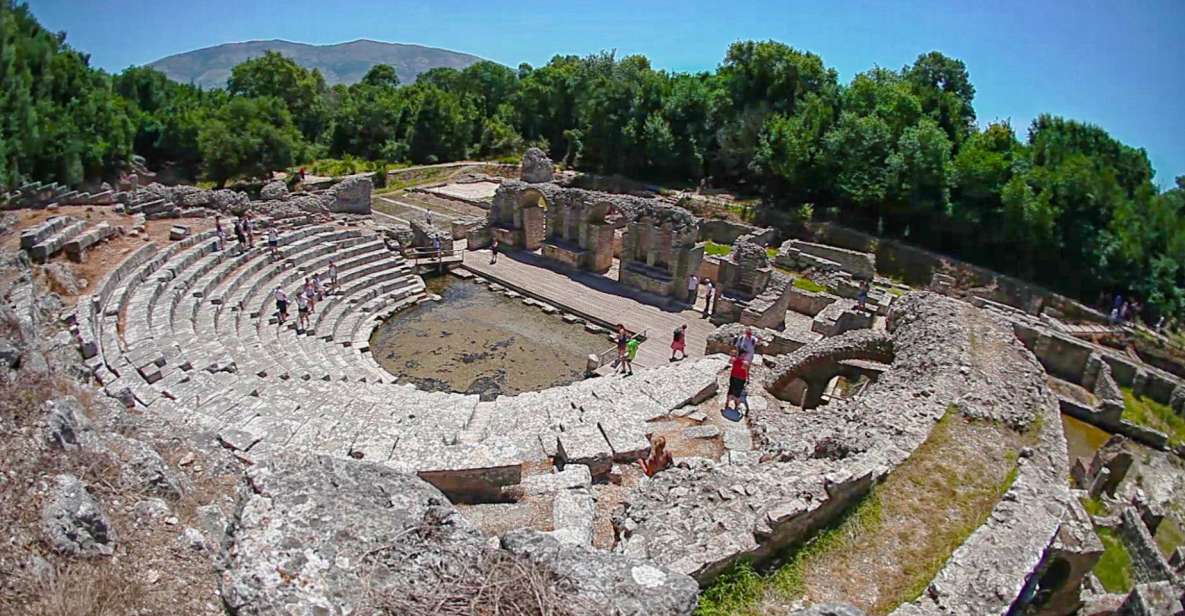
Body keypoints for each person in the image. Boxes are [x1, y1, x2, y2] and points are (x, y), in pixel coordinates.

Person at [724, 349, 749, 415]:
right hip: (741, 379)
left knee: (731, 389)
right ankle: (736, 406)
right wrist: (747, 378)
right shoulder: (745, 363)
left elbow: (730, 361)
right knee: (738, 392)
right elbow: (745, 371)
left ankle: (727, 403)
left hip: (733, 376)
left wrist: (733, 356)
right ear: (743, 355)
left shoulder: (734, 359)